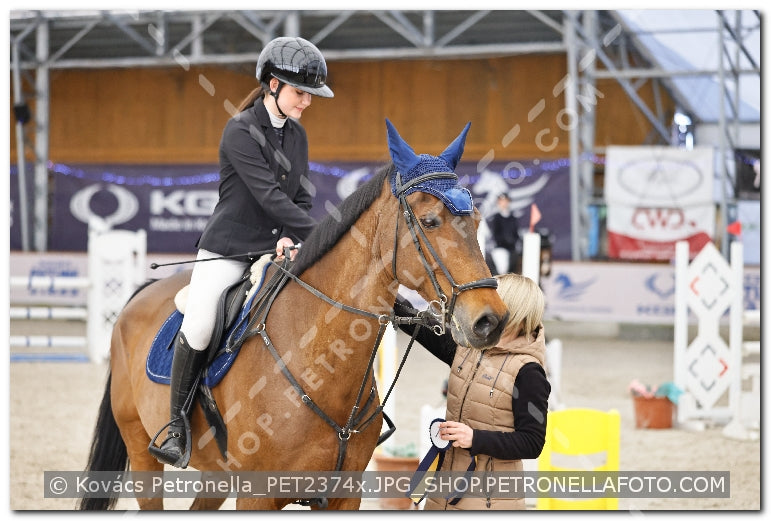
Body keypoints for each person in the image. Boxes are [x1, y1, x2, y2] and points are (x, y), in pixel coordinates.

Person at [149, 36, 334, 468]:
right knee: (200, 319)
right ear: (273, 85)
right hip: (229, 249)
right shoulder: (240, 131)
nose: (306, 101)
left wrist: (295, 234)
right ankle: (176, 427)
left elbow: (300, 199)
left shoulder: (298, 136)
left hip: (274, 248)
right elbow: (269, 197)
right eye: (299, 92)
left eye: (309, 95)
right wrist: (331, 232)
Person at [395, 273, 550, 510]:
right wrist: (386, 295)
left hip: (490, 500)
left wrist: (475, 438)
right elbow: (421, 325)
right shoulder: (469, 345)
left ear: (514, 313)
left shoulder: (529, 372)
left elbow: (532, 442)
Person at [488, 192, 520, 274]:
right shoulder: (496, 218)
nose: (504, 204)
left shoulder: (513, 218)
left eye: (505, 201)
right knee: (502, 269)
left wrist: (513, 242)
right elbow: (496, 234)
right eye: (501, 201)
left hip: (512, 249)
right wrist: (506, 241)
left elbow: (516, 233)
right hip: (500, 248)